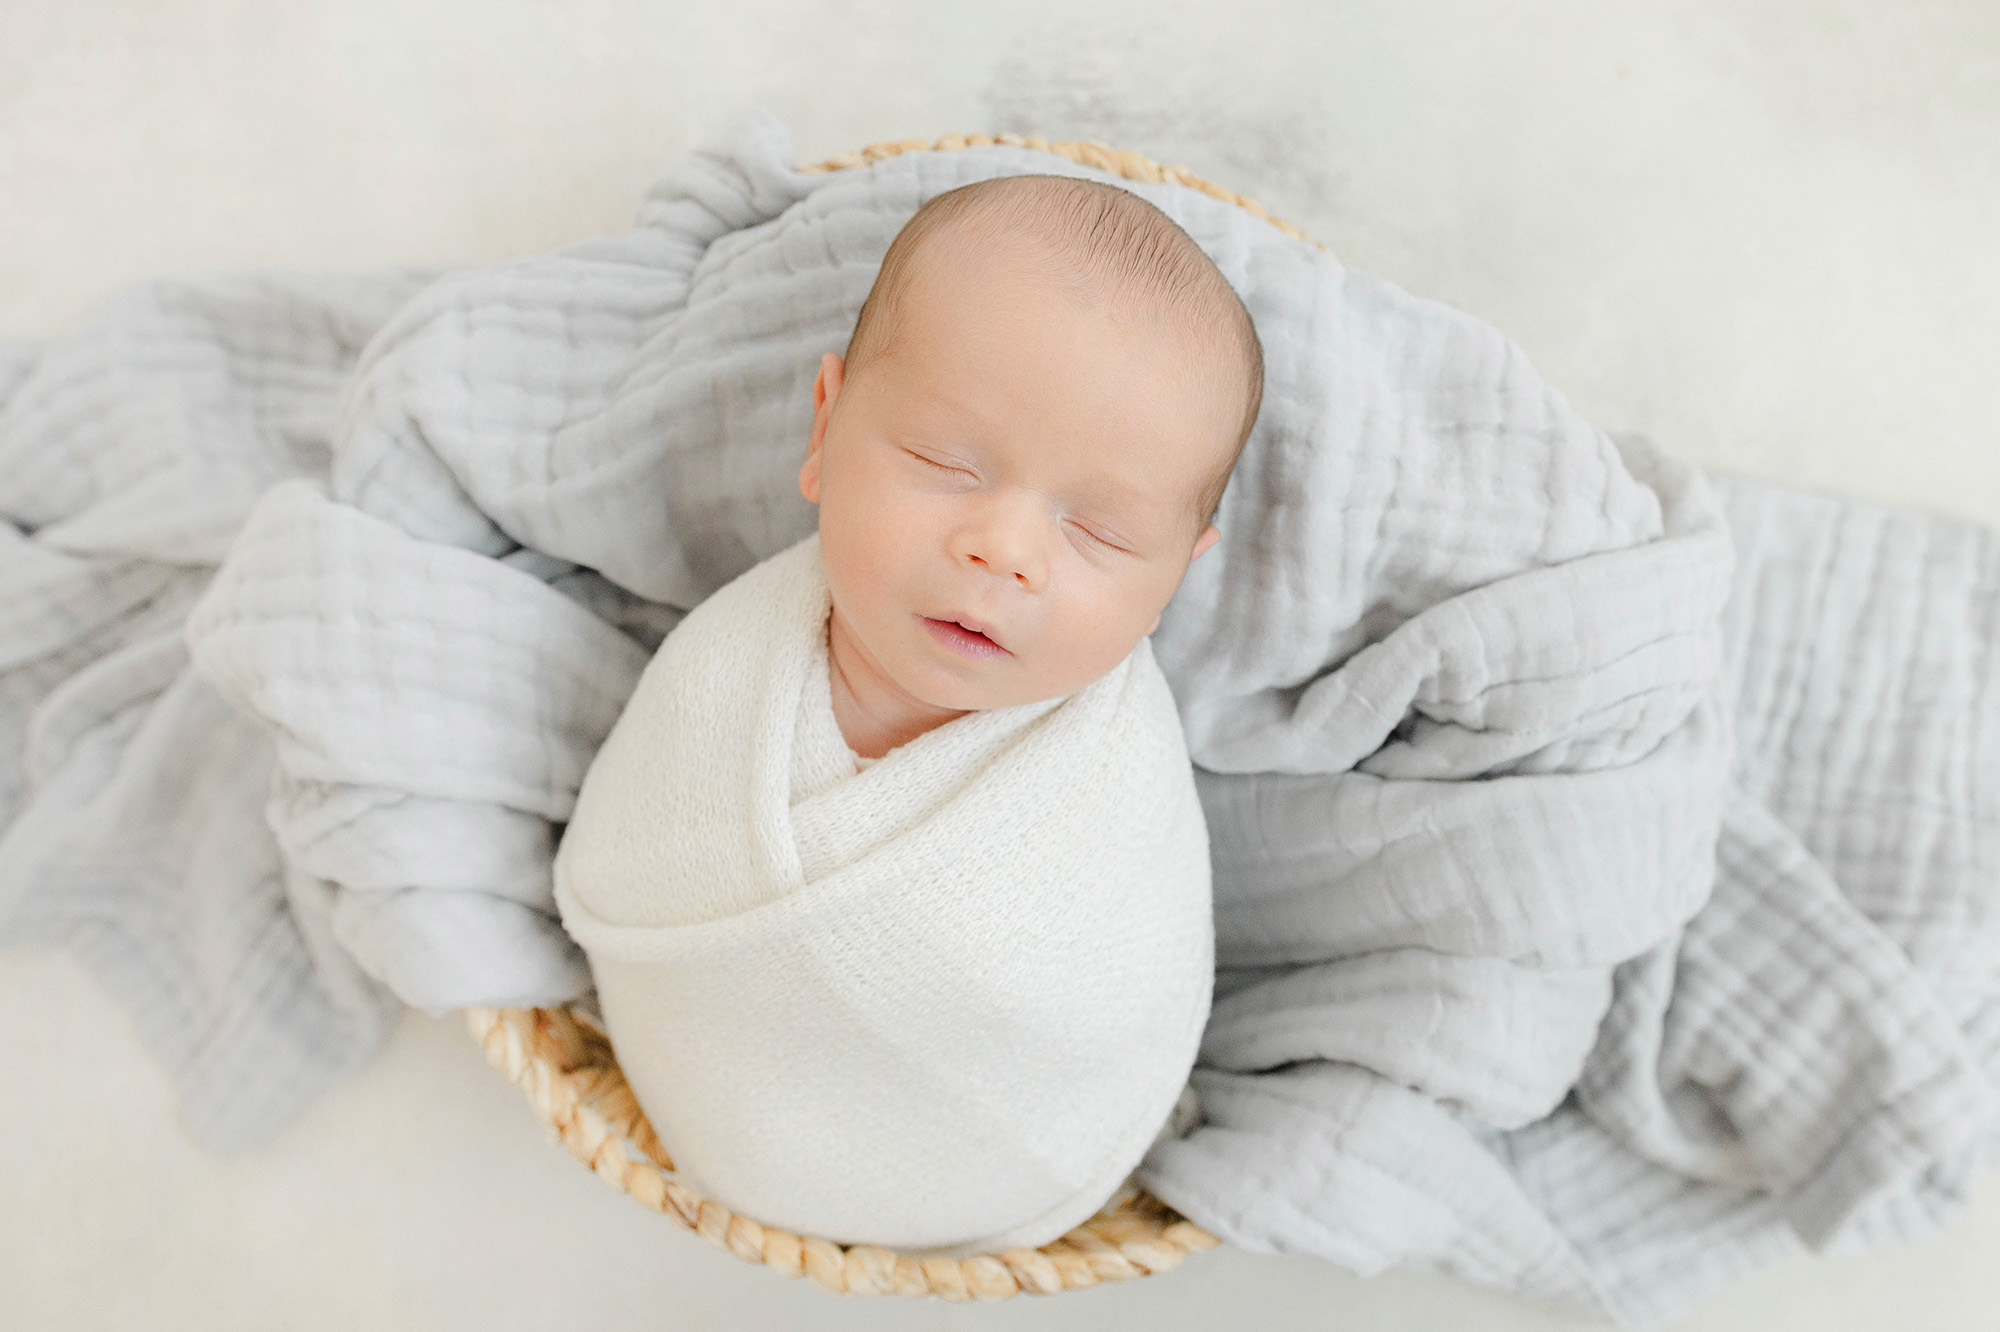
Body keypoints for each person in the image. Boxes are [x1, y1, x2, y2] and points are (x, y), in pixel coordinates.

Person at [552, 170, 1263, 1255]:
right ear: (824, 428)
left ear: (1174, 576)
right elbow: (644, 843)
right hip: (695, 1083)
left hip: (1000, 1149)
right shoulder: (731, 666)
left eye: (1100, 535)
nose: (1004, 552)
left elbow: (1112, 989)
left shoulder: (1106, 785)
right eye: (945, 463)